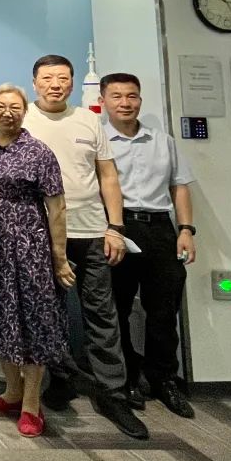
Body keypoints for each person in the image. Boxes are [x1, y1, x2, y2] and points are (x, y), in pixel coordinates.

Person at [21, 54, 147, 440]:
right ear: (34, 83)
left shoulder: (89, 120)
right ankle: (61, 379)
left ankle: (113, 393)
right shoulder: (23, 118)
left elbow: (107, 175)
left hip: (91, 231)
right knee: (49, 312)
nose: (55, 84)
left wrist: (115, 227)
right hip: (42, 233)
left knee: (101, 313)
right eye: (47, 78)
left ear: (73, 83)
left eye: (62, 78)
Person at [0, 83, 74, 438]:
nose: (7, 113)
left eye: (14, 107)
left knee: (33, 322)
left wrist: (59, 258)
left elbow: (57, 207)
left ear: (24, 111)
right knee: (1, 318)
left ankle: (31, 403)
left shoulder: (39, 152)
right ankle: (12, 392)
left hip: (31, 247)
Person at [101, 73, 197, 418]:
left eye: (132, 96)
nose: (125, 103)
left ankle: (163, 378)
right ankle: (126, 377)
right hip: (119, 227)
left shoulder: (162, 140)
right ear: (103, 101)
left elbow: (179, 186)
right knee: (118, 307)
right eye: (116, 96)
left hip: (160, 228)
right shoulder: (100, 141)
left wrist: (186, 229)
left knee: (164, 308)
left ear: (140, 100)